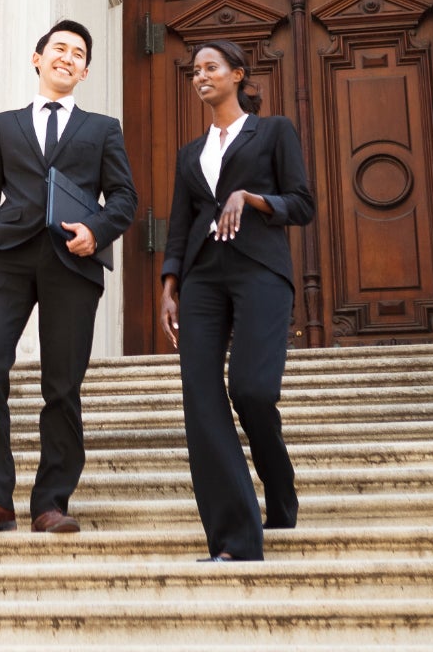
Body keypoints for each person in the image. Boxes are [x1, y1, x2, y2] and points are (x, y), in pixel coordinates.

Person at [0, 20, 137, 535]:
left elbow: (124, 199)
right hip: (6, 259)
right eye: (58, 48)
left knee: (62, 384)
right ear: (37, 59)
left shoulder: (103, 129)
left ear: (84, 71)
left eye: (78, 53)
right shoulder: (3, 125)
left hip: (72, 263)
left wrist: (96, 231)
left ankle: (50, 502)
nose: (67, 57)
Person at [158, 40, 315, 561]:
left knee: (250, 389)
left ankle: (279, 485)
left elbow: (302, 203)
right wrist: (169, 284)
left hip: (261, 271)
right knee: (202, 402)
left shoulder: (273, 132)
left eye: (210, 68)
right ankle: (235, 539)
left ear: (237, 75)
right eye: (194, 70)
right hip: (203, 278)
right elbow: (180, 224)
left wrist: (249, 198)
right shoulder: (190, 154)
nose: (200, 76)